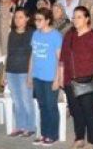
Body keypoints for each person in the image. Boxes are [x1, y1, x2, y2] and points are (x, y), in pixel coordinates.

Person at [60, 6, 93, 148]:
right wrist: (61, 79)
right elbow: (62, 59)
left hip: (87, 81)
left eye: (79, 17)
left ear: (87, 19)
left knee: (89, 113)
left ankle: (92, 140)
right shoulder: (69, 35)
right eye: (74, 17)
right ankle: (79, 138)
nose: (75, 20)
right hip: (70, 80)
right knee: (76, 112)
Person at [1, 7, 35, 137]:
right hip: (12, 70)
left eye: (21, 17)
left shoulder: (32, 33)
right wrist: (5, 72)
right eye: (16, 17)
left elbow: (33, 55)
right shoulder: (12, 33)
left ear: (27, 19)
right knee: (16, 100)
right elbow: (9, 53)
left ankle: (30, 126)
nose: (17, 20)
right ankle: (21, 125)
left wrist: (30, 74)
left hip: (25, 71)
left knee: (26, 100)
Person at [31, 8, 63, 146]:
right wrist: (29, 75)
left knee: (51, 106)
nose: (37, 22)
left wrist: (57, 79)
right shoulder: (35, 34)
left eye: (40, 20)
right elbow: (33, 55)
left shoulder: (55, 36)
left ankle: (53, 135)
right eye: (36, 19)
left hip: (50, 77)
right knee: (42, 106)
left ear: (47, 21)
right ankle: (44, 134)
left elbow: (60, 59)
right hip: (38, 76)